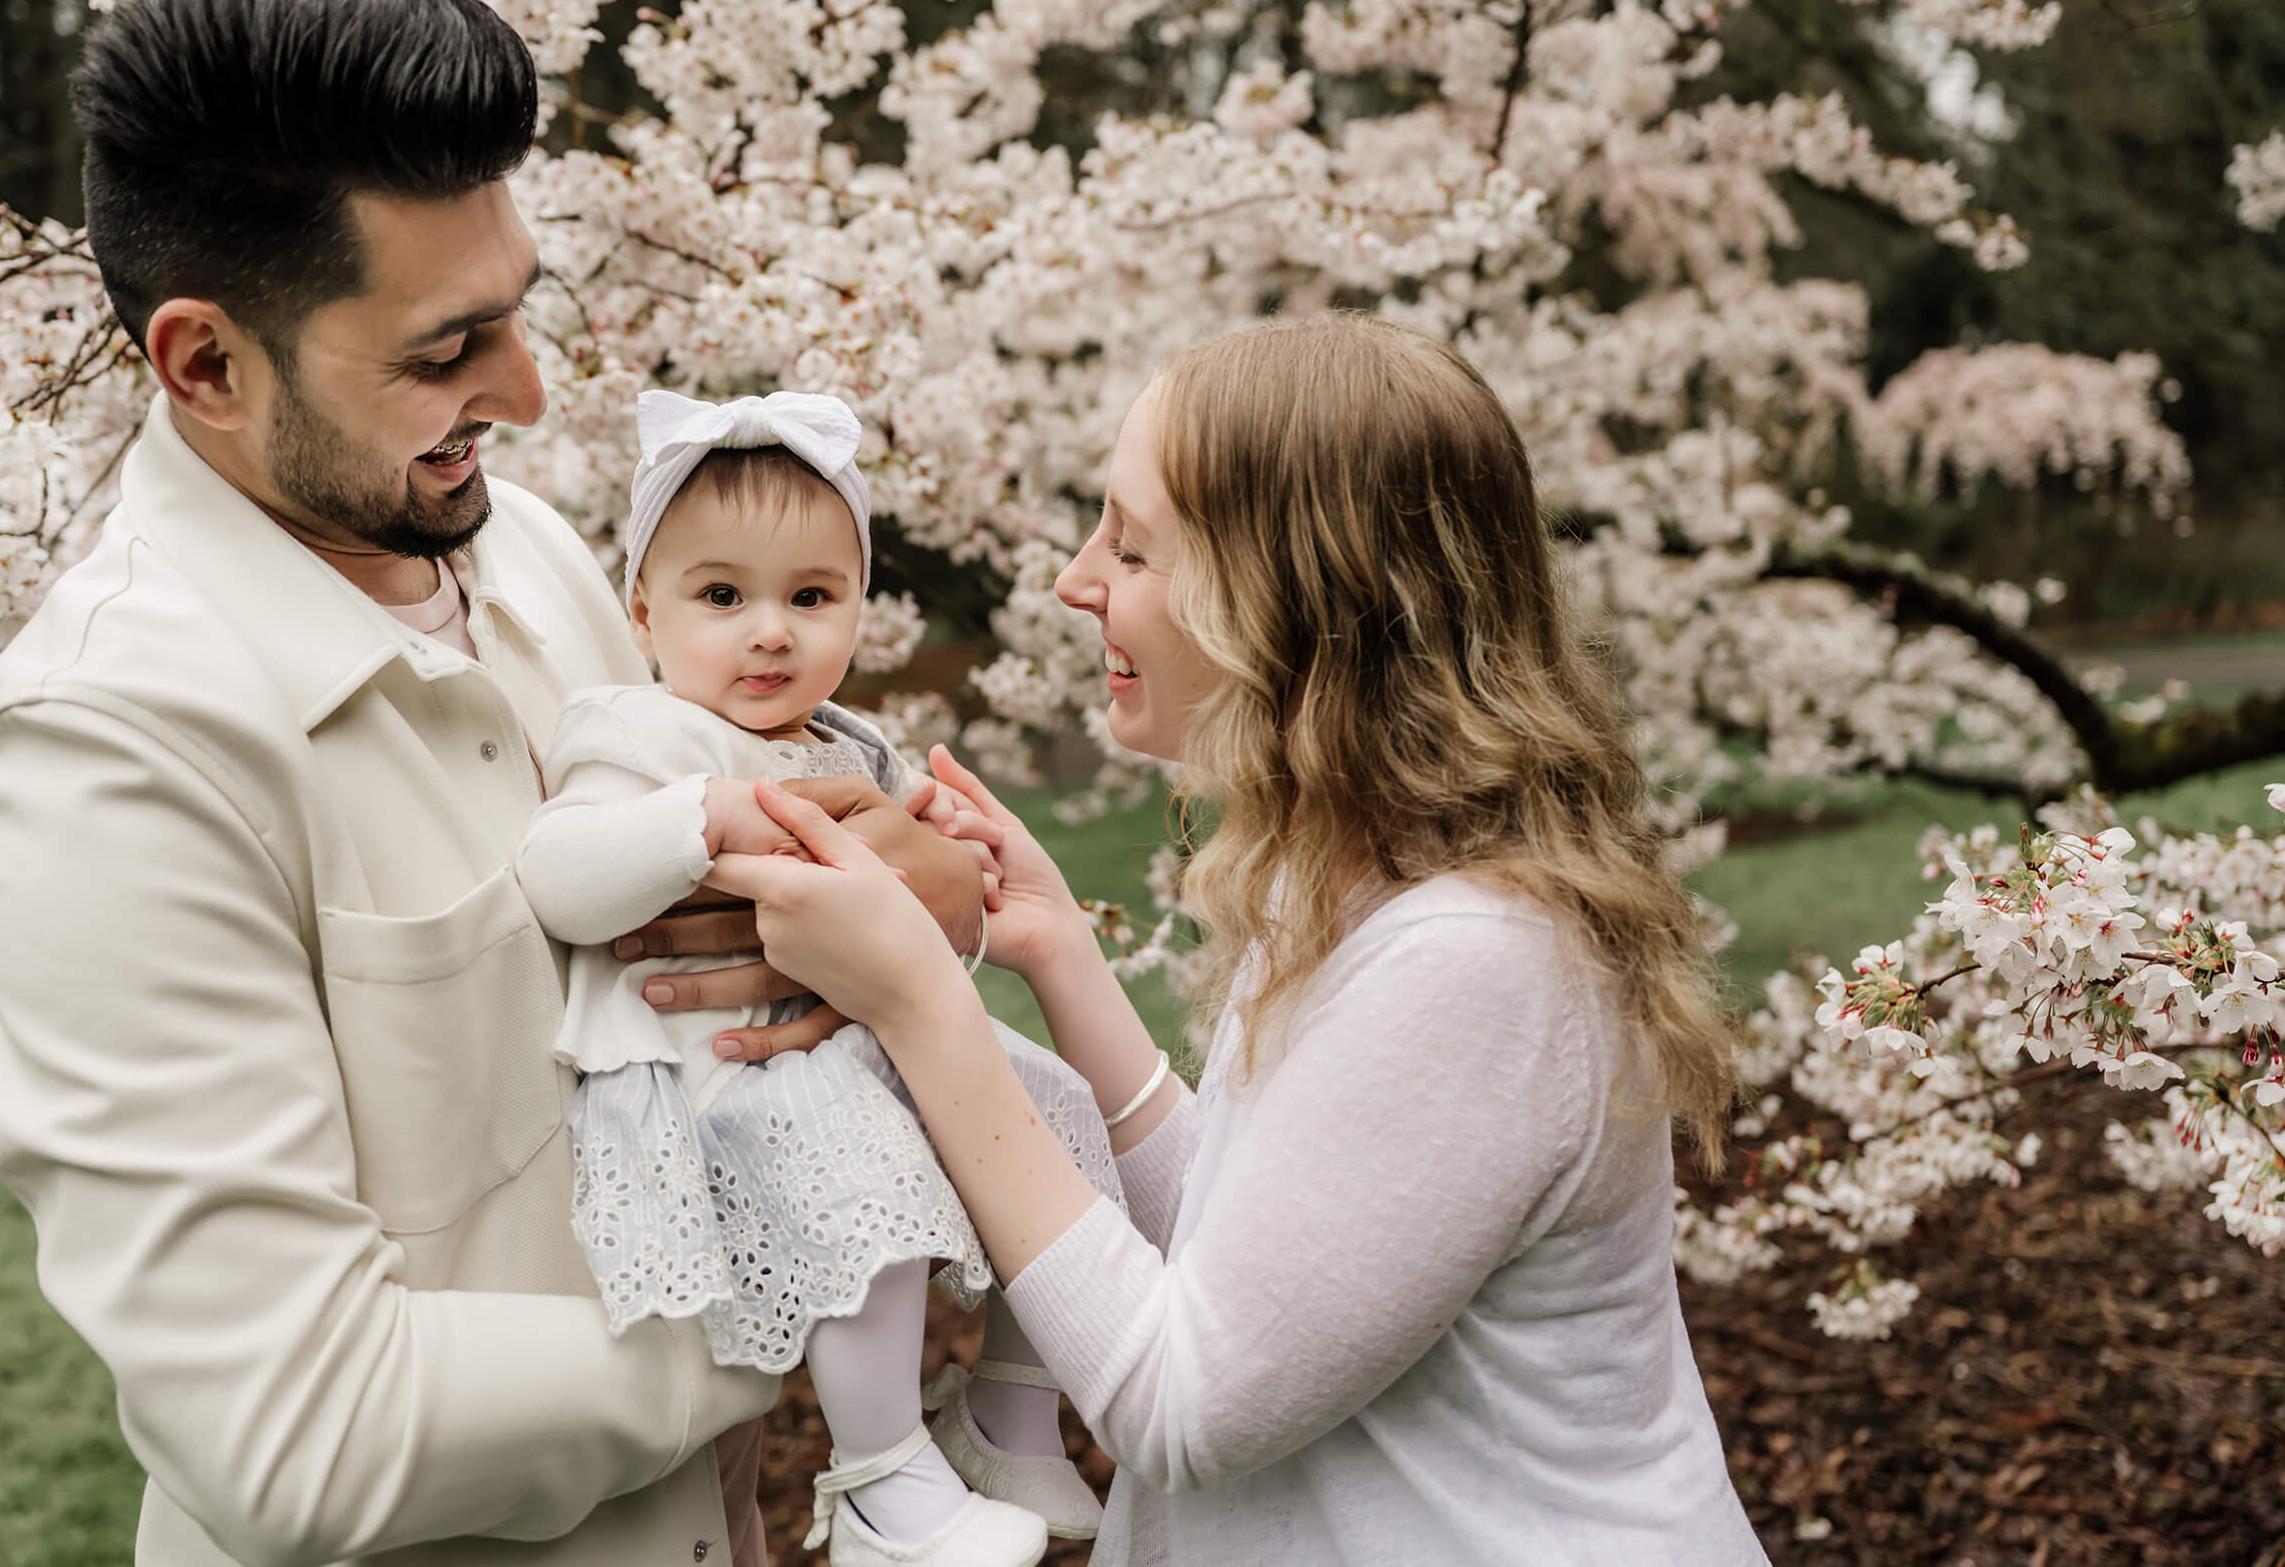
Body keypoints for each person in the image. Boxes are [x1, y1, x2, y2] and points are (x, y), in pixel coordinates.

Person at [0, 0, 979, 1567]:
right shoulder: (104, 754)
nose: (526, 387)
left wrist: (899, 895)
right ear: (205, 363)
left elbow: (765, 869)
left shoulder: (542, 557)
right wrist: (843, 1269)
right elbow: (307, 1430)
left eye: (516, 313)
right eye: (444, 353)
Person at [701, 316, 1775, 1564]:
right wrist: (1056, 955)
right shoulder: (1361, 882)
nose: (1075, 578)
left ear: (1295, 598)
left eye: (1134, 544)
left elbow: (1187, 1401)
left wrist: (921, 1011)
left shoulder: (1479, 959)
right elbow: (1262, 1258)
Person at [511, 388, 1124, 1567]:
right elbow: (559, 875)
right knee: (867, 1197)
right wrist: (709, 813)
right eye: (722, 597)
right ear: (645, 609)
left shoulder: (845, 745)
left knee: (1055, 1108)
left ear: (858, 607)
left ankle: (1012, 1410)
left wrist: (934, 843)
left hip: (864, 1041)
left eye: (811, 597)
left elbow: (917, 893)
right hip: (717, 1070)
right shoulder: (639, 736)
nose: (771, 633)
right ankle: (883, 1482)